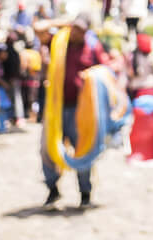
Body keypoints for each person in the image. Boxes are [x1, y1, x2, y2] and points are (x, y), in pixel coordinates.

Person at [41, 16, 100, 208]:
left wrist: (91, 76)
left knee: (82, 150)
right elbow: (38, 28)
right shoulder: (58, 43)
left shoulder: (92, 48)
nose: (75, 32)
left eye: (80, 30)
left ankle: (85, 193)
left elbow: (107, 68)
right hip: (55, 108)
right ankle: (52, 189)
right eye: (74, 28)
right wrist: (60, 22)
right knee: (47, 149)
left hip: (80, 110)